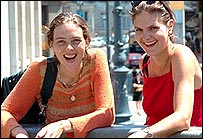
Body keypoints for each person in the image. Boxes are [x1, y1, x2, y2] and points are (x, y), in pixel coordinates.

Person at [1, 11, 115, 138]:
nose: (69, 48)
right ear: (51, 45)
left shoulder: (96, 60)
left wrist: (64, 125)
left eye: (76, 40)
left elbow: (107, 113)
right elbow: (5, 111)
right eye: (61, 41)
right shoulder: (40, 69)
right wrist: (17, 131)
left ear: (87, 41)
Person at [127, 1, 202, 138]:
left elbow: (183, 118)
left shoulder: (181, 55)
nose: (146, 37)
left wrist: (143, 134)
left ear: (170, 26)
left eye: (153, 28)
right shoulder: (144, 62)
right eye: (139, 30)